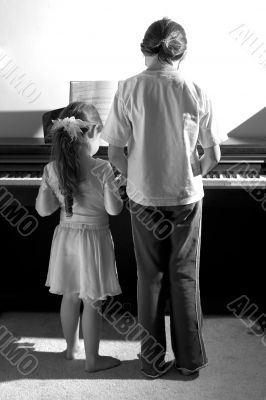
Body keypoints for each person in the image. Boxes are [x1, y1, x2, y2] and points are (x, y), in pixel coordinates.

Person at [101, 17, 227, 378]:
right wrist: (189, 174)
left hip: (144, 197)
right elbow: (213, 155)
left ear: (145, 48)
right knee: (185, 276)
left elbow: (114, 153)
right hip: (186, 198)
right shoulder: (196, 89)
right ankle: (189, 363)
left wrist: (136, 177)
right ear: (181, 53)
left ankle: (151, 362)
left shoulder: (128, 88)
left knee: (149, 277)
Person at [35, 101, 123, 372]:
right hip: (94, 241)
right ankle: (93, 360)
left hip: (66, 240)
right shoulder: (103, 168)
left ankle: (71, 349)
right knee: (91, 302)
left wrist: (45, 185)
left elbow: (44, 209)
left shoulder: (52, 168)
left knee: (69, 297)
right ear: (94, 131)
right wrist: (114, 186)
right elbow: (114, 209)